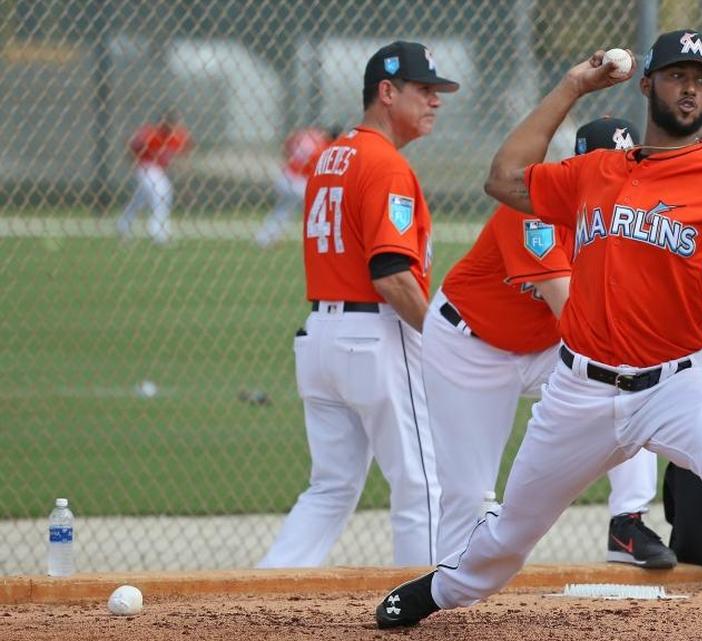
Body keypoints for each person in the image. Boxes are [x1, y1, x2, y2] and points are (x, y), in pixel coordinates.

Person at [376, 30, 702, 641]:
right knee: (511, 533)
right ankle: (445, 587)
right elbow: (504, 178)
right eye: (678, 75)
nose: (691, 88)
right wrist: (573, 86)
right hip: (579, 391)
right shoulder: (593, 172)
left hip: (676, 385)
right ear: (647, 84)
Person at [426, 116, 675, 570]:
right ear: (577, 168)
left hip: (540, 347)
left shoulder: (628, 220)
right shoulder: (532, 210)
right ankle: (447, 585)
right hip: (469, 347)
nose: (618, 178)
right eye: (606, 167)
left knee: (632, 385)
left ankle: (627, 524)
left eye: (627, 166)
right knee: (468, 491)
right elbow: (573, 315)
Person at [257, 41, 459, 568]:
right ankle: (422, 609)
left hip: (321, 338)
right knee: (421, 483)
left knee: (330, 488)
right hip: (377, 337)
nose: (435, 101)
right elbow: (391, 274)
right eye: (424, 90)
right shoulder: (385, 164)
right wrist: (444, 338)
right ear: (386, 92)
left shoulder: (330, 157)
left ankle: (260, 599)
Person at [255, 126, 340, 248]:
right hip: (298, 181)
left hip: (284, 175)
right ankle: (323, 237)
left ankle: (264, 238)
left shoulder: (307, 134)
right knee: (320, 206)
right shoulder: (324, 146)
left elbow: (287, 144)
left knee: (284, 209)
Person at [116, 110, 193, 244]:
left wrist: (183, 168)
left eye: (176, 123)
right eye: (171, 122)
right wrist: (133, 161)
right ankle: (158, 233)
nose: (174, 126)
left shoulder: (178, 136)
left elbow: (185, 151)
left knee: (139, 200)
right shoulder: (150, 133)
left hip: (159, 169)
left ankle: (123, 224)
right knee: (162, 193)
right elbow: (130, 142)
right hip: (145, 166)